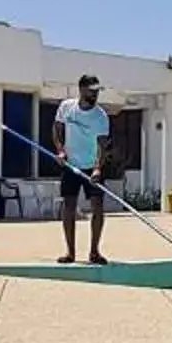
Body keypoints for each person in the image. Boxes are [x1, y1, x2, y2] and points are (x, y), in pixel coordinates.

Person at [54, 74, 113, 266]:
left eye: (97, 91)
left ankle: (94, 252)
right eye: (91, 91)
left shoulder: (100, 116)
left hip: (91, 167)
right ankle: (70, 253)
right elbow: (57, 130)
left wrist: (97, 169)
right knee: (69, 206)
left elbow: (102, 146)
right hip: (71, 165)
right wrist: (61, 152)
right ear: (81, 89)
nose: (95, 95)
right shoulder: (66, 107)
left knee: (97, 207)